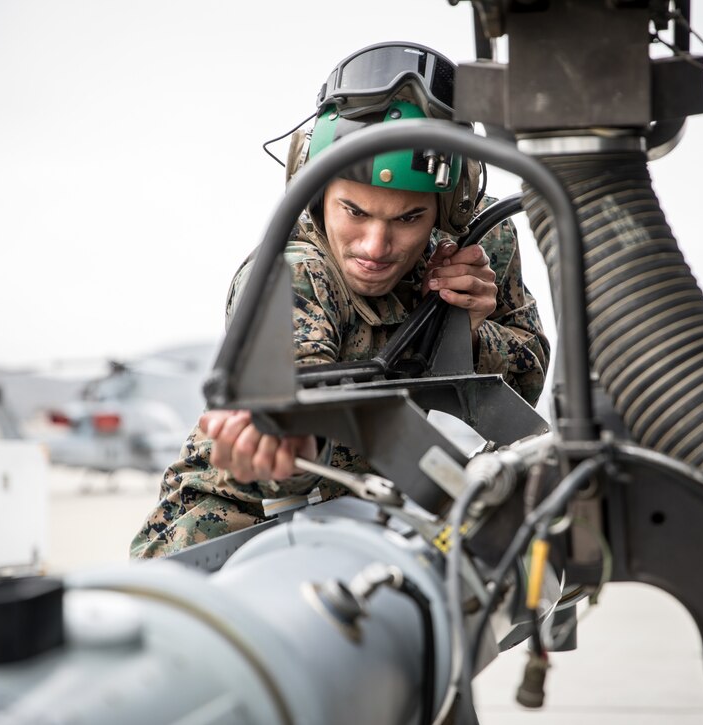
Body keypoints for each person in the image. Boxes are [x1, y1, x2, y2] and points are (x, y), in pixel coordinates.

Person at [130, 42, 549, 558]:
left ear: (448, 208)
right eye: (354, 211)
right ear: (315, 190)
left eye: (408, 219)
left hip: (364, 530)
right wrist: (288, 443)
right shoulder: (295, 274)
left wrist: (469, 328)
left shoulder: (478, 244)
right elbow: (292, 447)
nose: (376, 246)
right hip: (223, 544)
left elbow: (527, 382)